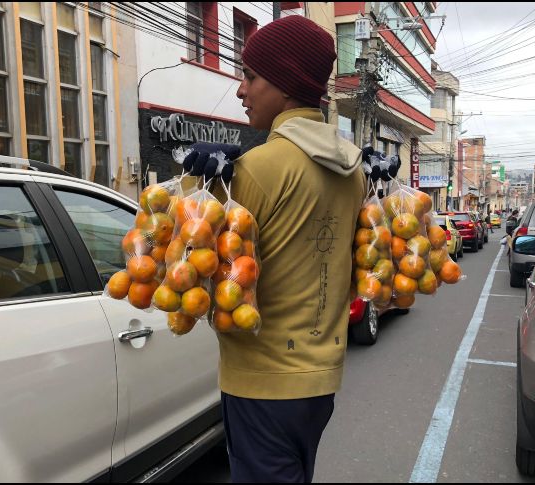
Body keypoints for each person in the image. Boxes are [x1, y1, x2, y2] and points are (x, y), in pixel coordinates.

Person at [190, 16, 366, 483]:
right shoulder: (353, 171)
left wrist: (196, 183)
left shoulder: (257, 169)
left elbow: (198, 262)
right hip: (321, 377)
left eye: (250, 77)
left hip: (262, 378)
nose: (240, 90)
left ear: (285, 86)